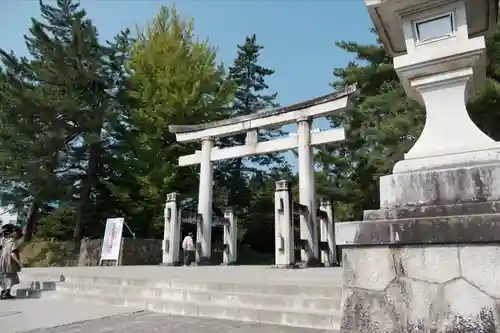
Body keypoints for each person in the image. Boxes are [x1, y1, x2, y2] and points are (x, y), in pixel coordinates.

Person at [0, 226, 23, 299]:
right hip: (9, 263)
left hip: (3, 262)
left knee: (4, 276)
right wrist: (19, 262)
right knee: (11, 276)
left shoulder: (6, 243)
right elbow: (13, 254)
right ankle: (7, 292)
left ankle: (3, 291)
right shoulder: (13, 243)